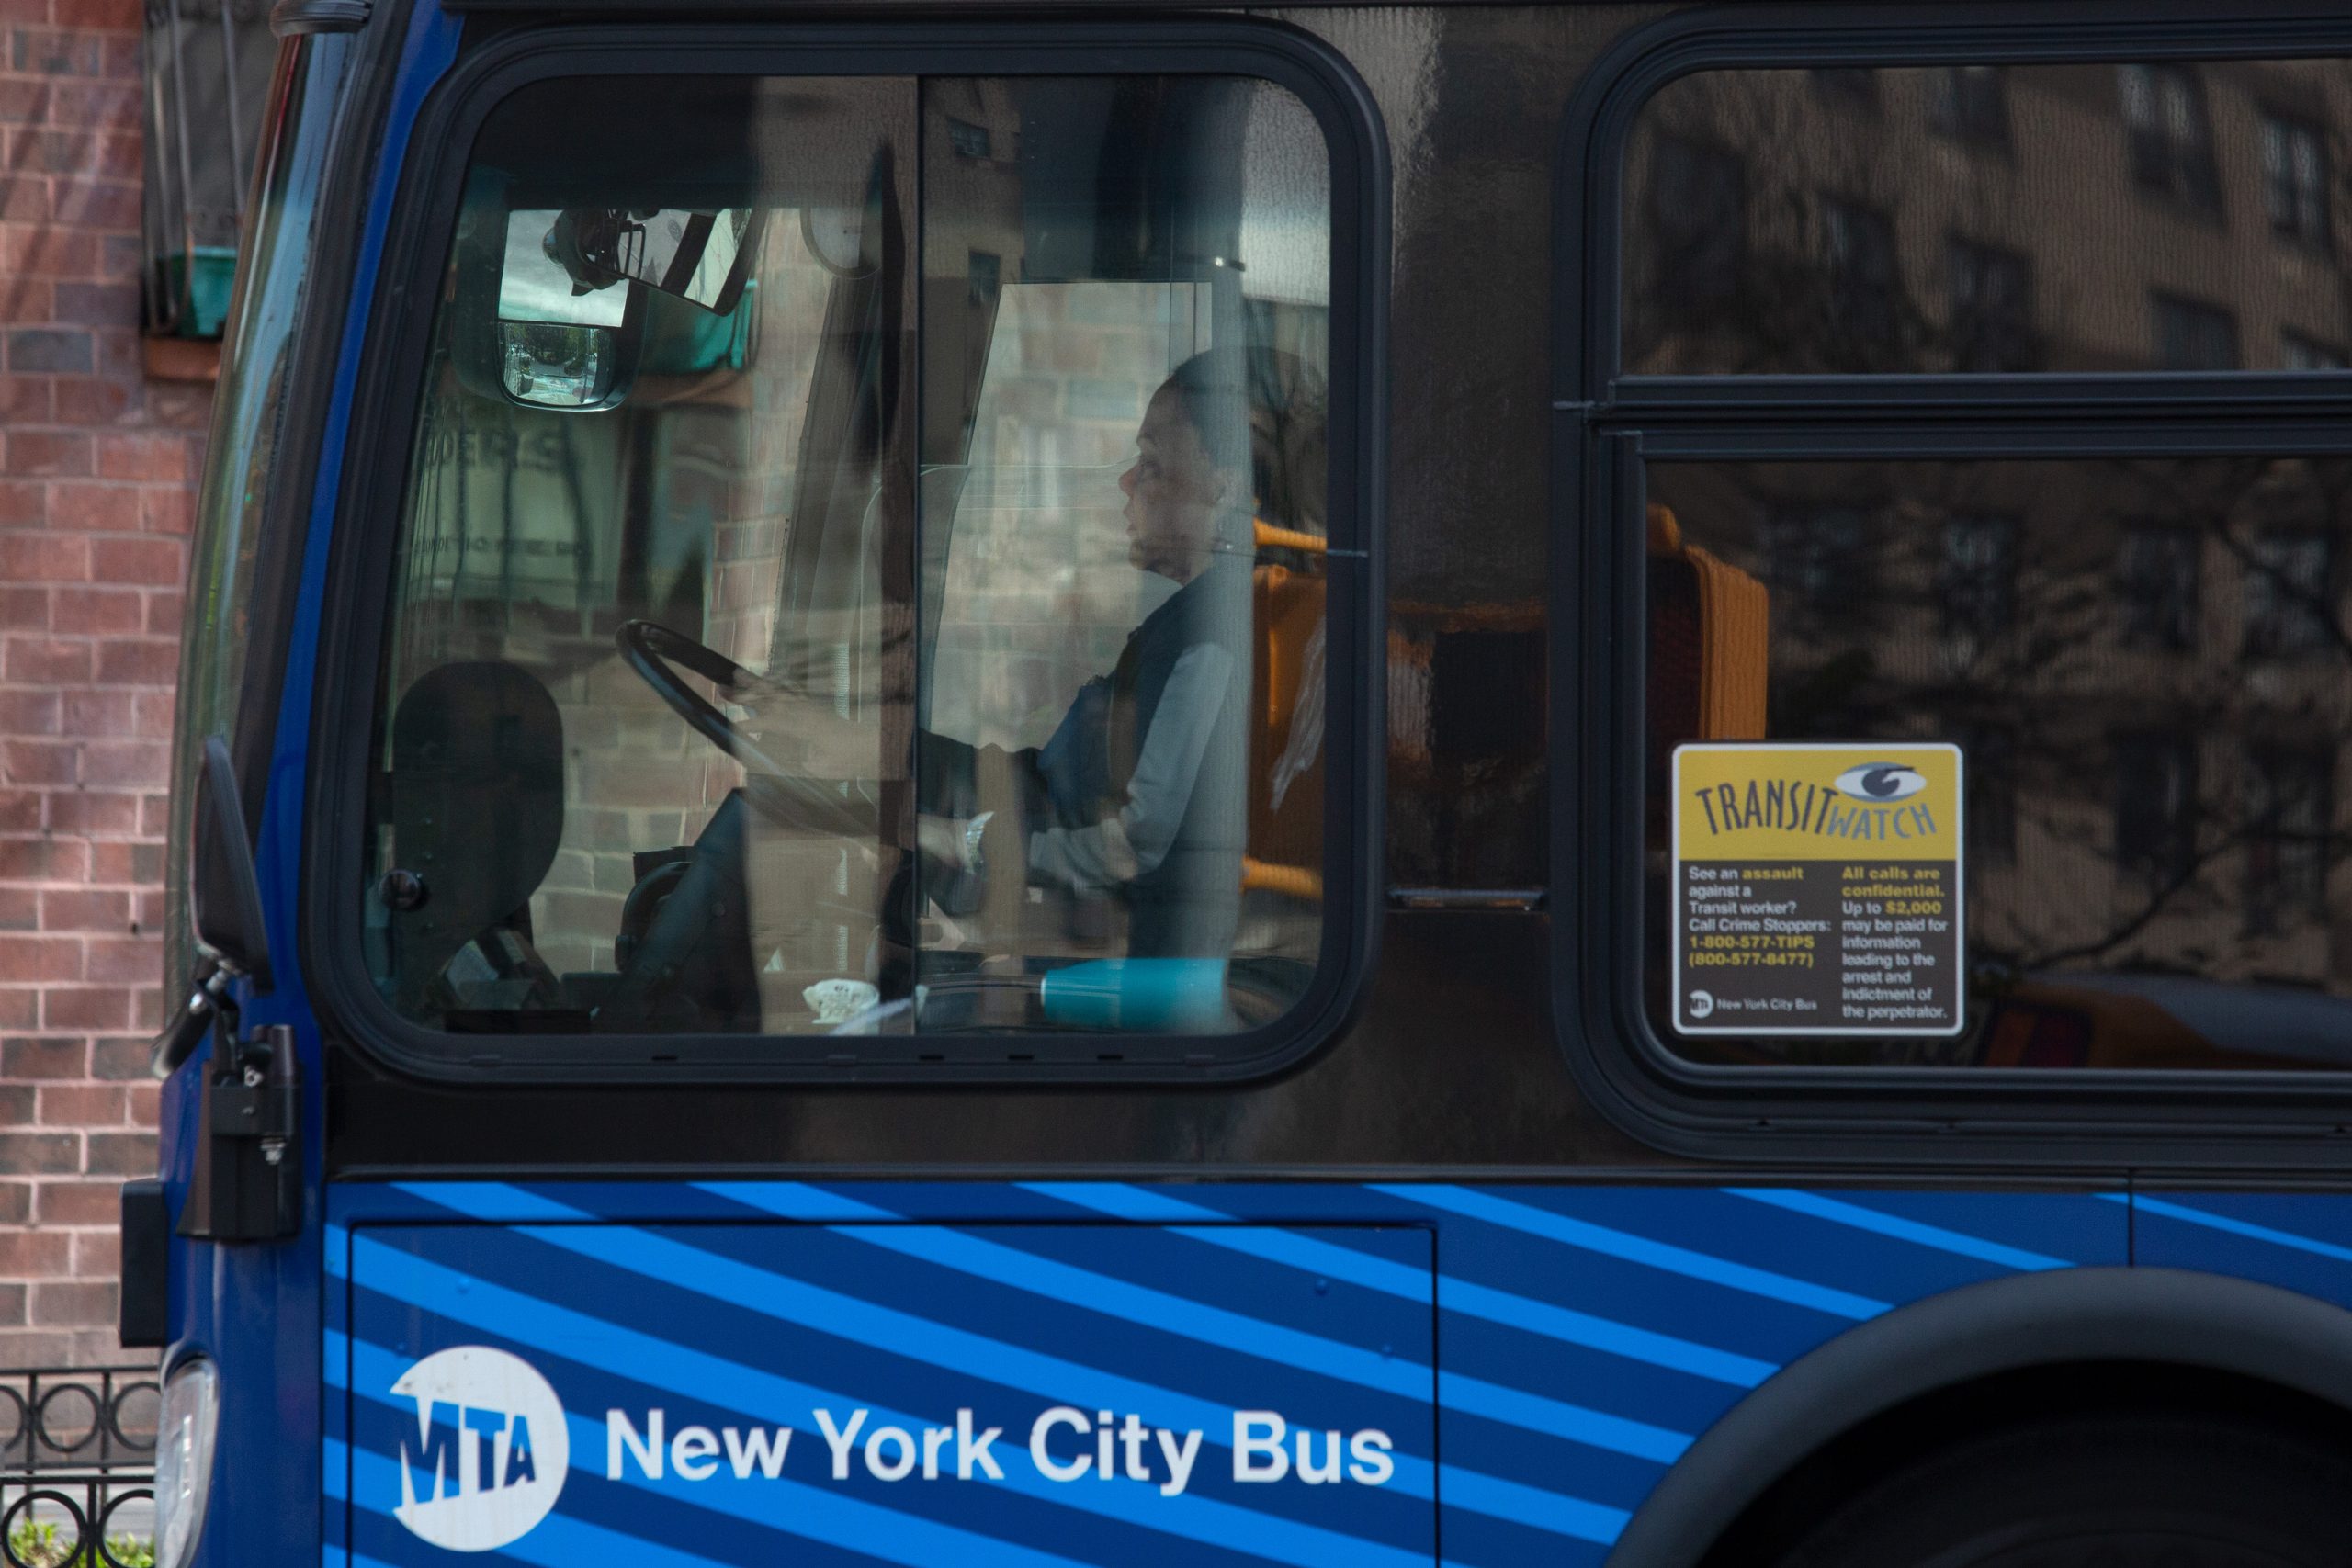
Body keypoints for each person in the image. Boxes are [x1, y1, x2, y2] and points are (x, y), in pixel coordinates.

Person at [913, 347, 1324, 962]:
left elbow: (1134, 847)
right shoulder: (1191, 622)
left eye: (1152, 464)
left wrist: (965, 839)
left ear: (1226, 483)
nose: (1127, 482)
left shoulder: (1219, 637)